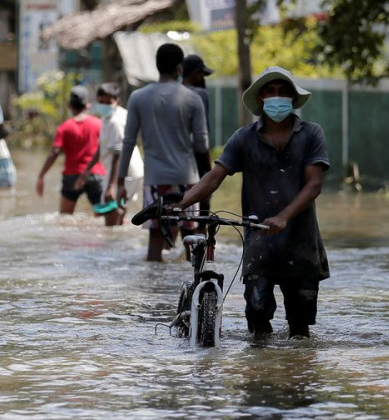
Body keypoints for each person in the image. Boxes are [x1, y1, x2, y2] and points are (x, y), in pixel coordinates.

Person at [173, 66, 330, 339]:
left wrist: (283, 216)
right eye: (271, 92)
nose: (277, 97)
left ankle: (297, 376)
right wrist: (182, 203)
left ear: (293, 99)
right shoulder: (244, 137)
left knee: (300, 330)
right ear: (260, 98)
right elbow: (214, 176)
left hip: (301, 243)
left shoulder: (311, 134)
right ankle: (260, 375)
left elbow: (314, 184)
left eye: (283, 92)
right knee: (257, 320)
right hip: (259, 245)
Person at [117, 43, 209, 261]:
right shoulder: (193, 98)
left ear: (156, 66)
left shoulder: (138, 97)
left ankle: (155, 293)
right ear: (179, 68)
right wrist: (209, 175)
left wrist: (120, 181)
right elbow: (201, 144)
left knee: (155, 242)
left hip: (156, 179)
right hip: (187, 178)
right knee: (191, 242)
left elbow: (128, 142)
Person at [36, 85, 109, 222]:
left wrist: (41, 175)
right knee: (102, 220)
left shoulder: (65, 127)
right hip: (95, 175)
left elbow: (54, 152)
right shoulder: (99, 124)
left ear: (69, 105)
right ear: (88, 105)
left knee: (65, 220)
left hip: (71, 177)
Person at [75, 82, 144, 226]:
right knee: (118, 212)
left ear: (116, 101)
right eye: (101, 102)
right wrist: (86, 171)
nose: (104, 105)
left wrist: (111, 186)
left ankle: (113, 246)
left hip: (124, 174)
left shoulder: (115, 121)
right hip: (124, 173)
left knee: (111, 216)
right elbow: (102, 147)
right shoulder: (110, 117)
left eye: (108, 102)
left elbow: (117, 153)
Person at [182, 54, 215, 219]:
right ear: (196, 73)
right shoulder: (200, 94)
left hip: (169, 164)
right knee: (199, 216)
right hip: (194, 164)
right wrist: (209, 171)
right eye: (202, 74)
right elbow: (202, 137)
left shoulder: (169, 93)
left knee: (172, 217)